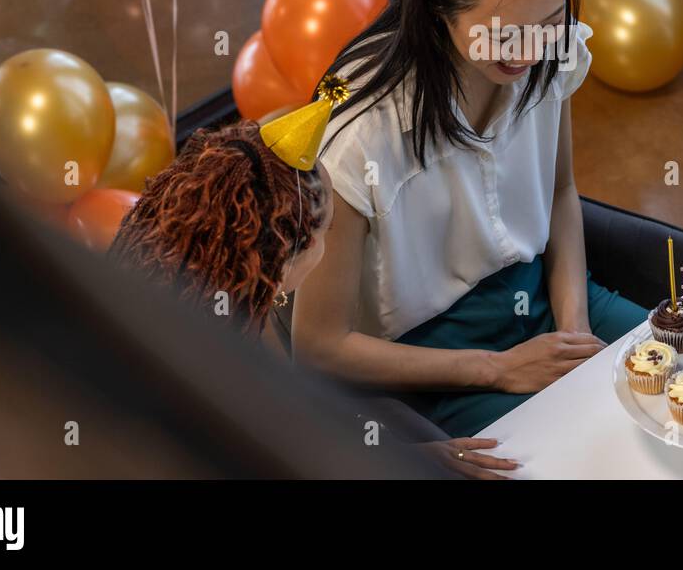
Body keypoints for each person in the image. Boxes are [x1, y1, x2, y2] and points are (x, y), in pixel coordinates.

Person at [295, 0, 646, 438]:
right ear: (437, 5)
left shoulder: (546, 54)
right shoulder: (359, 136)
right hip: (432, 361)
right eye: (503, 35)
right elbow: (318, 345)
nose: (531, 54)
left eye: (549, 25)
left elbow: (559, 193)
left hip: (548, 294)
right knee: (587, 450)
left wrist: (574, 334)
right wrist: (500, 369)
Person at [107, 118, 516, 478]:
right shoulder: (210, 367)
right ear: (284, 253)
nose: (331, 243)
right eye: (327, 231)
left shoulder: (211, 297)